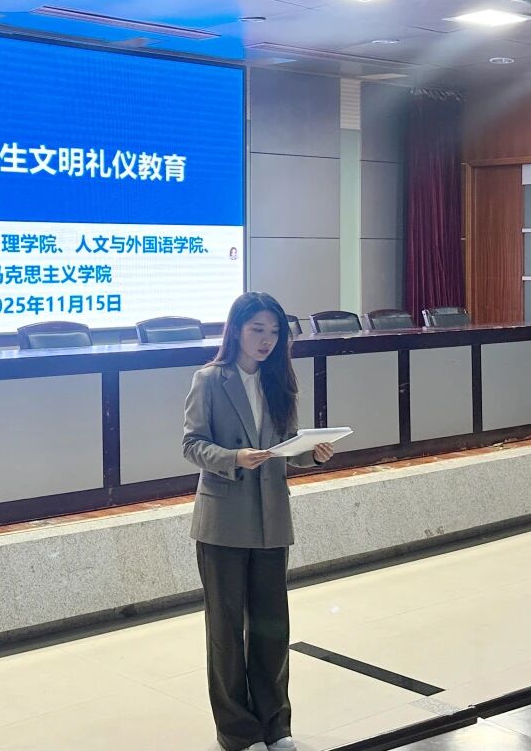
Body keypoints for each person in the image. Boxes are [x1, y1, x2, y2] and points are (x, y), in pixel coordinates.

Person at [182, 292, 335, 751]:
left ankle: (275, 725)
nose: (266, 340)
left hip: (271, 518)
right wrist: (234, 458)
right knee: (226, 631)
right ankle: (237, 731)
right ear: (236, 330)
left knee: (271, 627)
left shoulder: (279, 382)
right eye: (257, 330)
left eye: (274, 332)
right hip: (223, 520)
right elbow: (192, 445)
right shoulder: (210, 379)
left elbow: (286, 446)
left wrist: (312, 454)